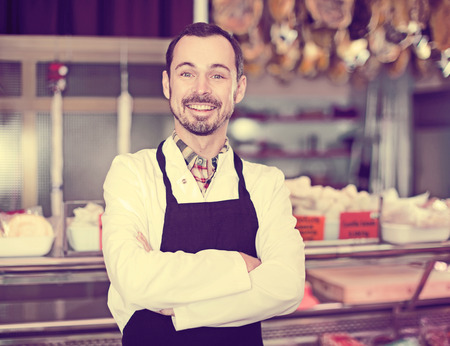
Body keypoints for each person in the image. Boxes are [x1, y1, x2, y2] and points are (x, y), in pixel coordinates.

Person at [102, 22, 305, 346]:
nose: (201, 88)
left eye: (217, 74)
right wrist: (241, 265)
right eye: (187, 73)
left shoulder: (266, 183)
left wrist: (182, 311)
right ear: (167, 84)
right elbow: (133, 279)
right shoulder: (132, 173)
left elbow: (286, 287)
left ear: (238, 89)